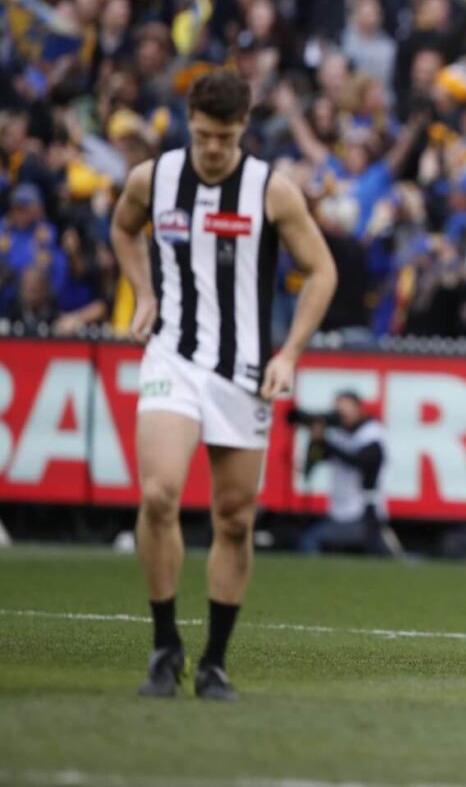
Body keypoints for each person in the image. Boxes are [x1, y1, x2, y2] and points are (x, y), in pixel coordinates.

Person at [108, 69, 337, 701]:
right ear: (189, 122)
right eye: (204, 135)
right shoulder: (152, 179)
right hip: (172, 358)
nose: (213, 149)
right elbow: (123, 228)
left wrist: (290, 353)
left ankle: (212, 662)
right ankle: (163, 647)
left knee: (234, 518)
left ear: (244, 129)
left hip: (242, 371)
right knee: (159, 495)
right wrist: (145, 292)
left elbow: (321, 271)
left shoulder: (272, 191)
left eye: (226, 137)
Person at [293, 391, 396, 557]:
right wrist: (316, 439)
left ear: (359, 408)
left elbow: (360, 461)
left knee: (310, 542)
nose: (341, 414)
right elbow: (314, 461)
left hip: (363, 512)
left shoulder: (372, 433)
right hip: (338, 511)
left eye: (346, 408)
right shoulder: (337, 433)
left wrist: (327, 442)